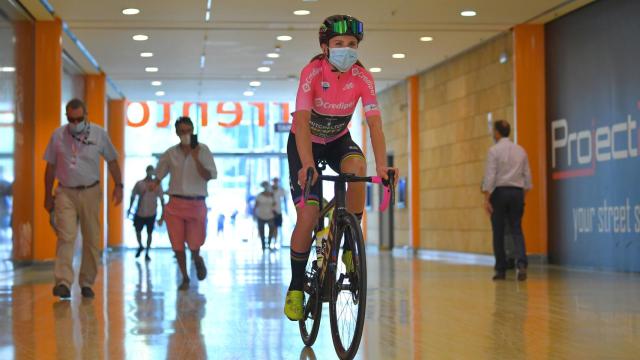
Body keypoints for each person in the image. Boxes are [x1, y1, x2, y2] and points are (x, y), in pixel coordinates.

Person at [283, 15, 399, 320]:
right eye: (338, 44)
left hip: (337, 140)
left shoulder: (362, 77)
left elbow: (374, 125)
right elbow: (304, 121)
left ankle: (349, 242)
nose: (346, 49)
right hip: (304, 141)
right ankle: (296, 285)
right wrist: (307, 164)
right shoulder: (312, 72)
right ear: (325, 47)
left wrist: (383, 166)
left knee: (358, 165)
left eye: (351, 44)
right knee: (308, 217)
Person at [44, 98, 123, 299]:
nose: (75, 122)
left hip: (90, 191)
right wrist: (47, 195)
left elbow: (112, 161)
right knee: (66, 236)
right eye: (71, 119)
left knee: (91, 237)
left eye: (79, 118)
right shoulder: (58, 135)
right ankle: (63, 282)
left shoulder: (99, 134)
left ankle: (87, 282)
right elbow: (50, 167)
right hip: (65, 192)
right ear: (67, 117)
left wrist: (119, 185)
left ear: (85, 115)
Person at [155, 116, 217, 291]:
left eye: (188, 131)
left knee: (195, 243)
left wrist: (196, 158)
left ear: (193, 131)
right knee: (177, 244)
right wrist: (153, 184)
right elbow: (160, 174)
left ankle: (197, 258)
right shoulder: (170, 153)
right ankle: (185, 277)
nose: (185, 135)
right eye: (181, 132)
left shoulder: (203, 150)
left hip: (196, 204)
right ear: (176, 133)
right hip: (174, 204)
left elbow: (209, 176)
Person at [482, 120, 532, 281]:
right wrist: (521, 195)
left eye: (493, 131)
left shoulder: (493, 151)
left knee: (498, 232)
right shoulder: (521, 151)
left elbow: (490, 176)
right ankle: (522, 264)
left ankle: (501, 270)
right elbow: (528, 179)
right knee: (517, 229)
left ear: (497, 133)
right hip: (517, 192)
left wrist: (486, 198)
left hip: (500, 192)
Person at [128, 165, 165, 261]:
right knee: (138, 231)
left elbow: (162, 199)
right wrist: (130, 209)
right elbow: (133, 196)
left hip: (151, 213)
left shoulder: (157, 185)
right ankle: (140, 245)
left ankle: (147, 252)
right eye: (149, 171)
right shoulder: (140, 184)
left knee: (149, 233)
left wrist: (162, 214)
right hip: (140, 212)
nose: (150, 173)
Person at [254, 181, 276, 250]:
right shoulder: (259, 195)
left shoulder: (272, 195)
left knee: (271, 230)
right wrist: (254, 215)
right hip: (261, 215)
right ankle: (263, 245)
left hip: (270, 216)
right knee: (261, 231)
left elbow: (274, 204)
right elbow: (256, 205)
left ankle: (269, 244)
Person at [271, 177, 287, 248]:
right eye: (274, 181)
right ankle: (270, 242)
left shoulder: (281, 190)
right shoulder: (269, 189)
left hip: (278, 211)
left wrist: (286, 210)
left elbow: (285, 199)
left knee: (276, 228)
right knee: (272, 227)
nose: (275, 182)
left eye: (276, 181)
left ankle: (274, 243)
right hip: (270, 211)